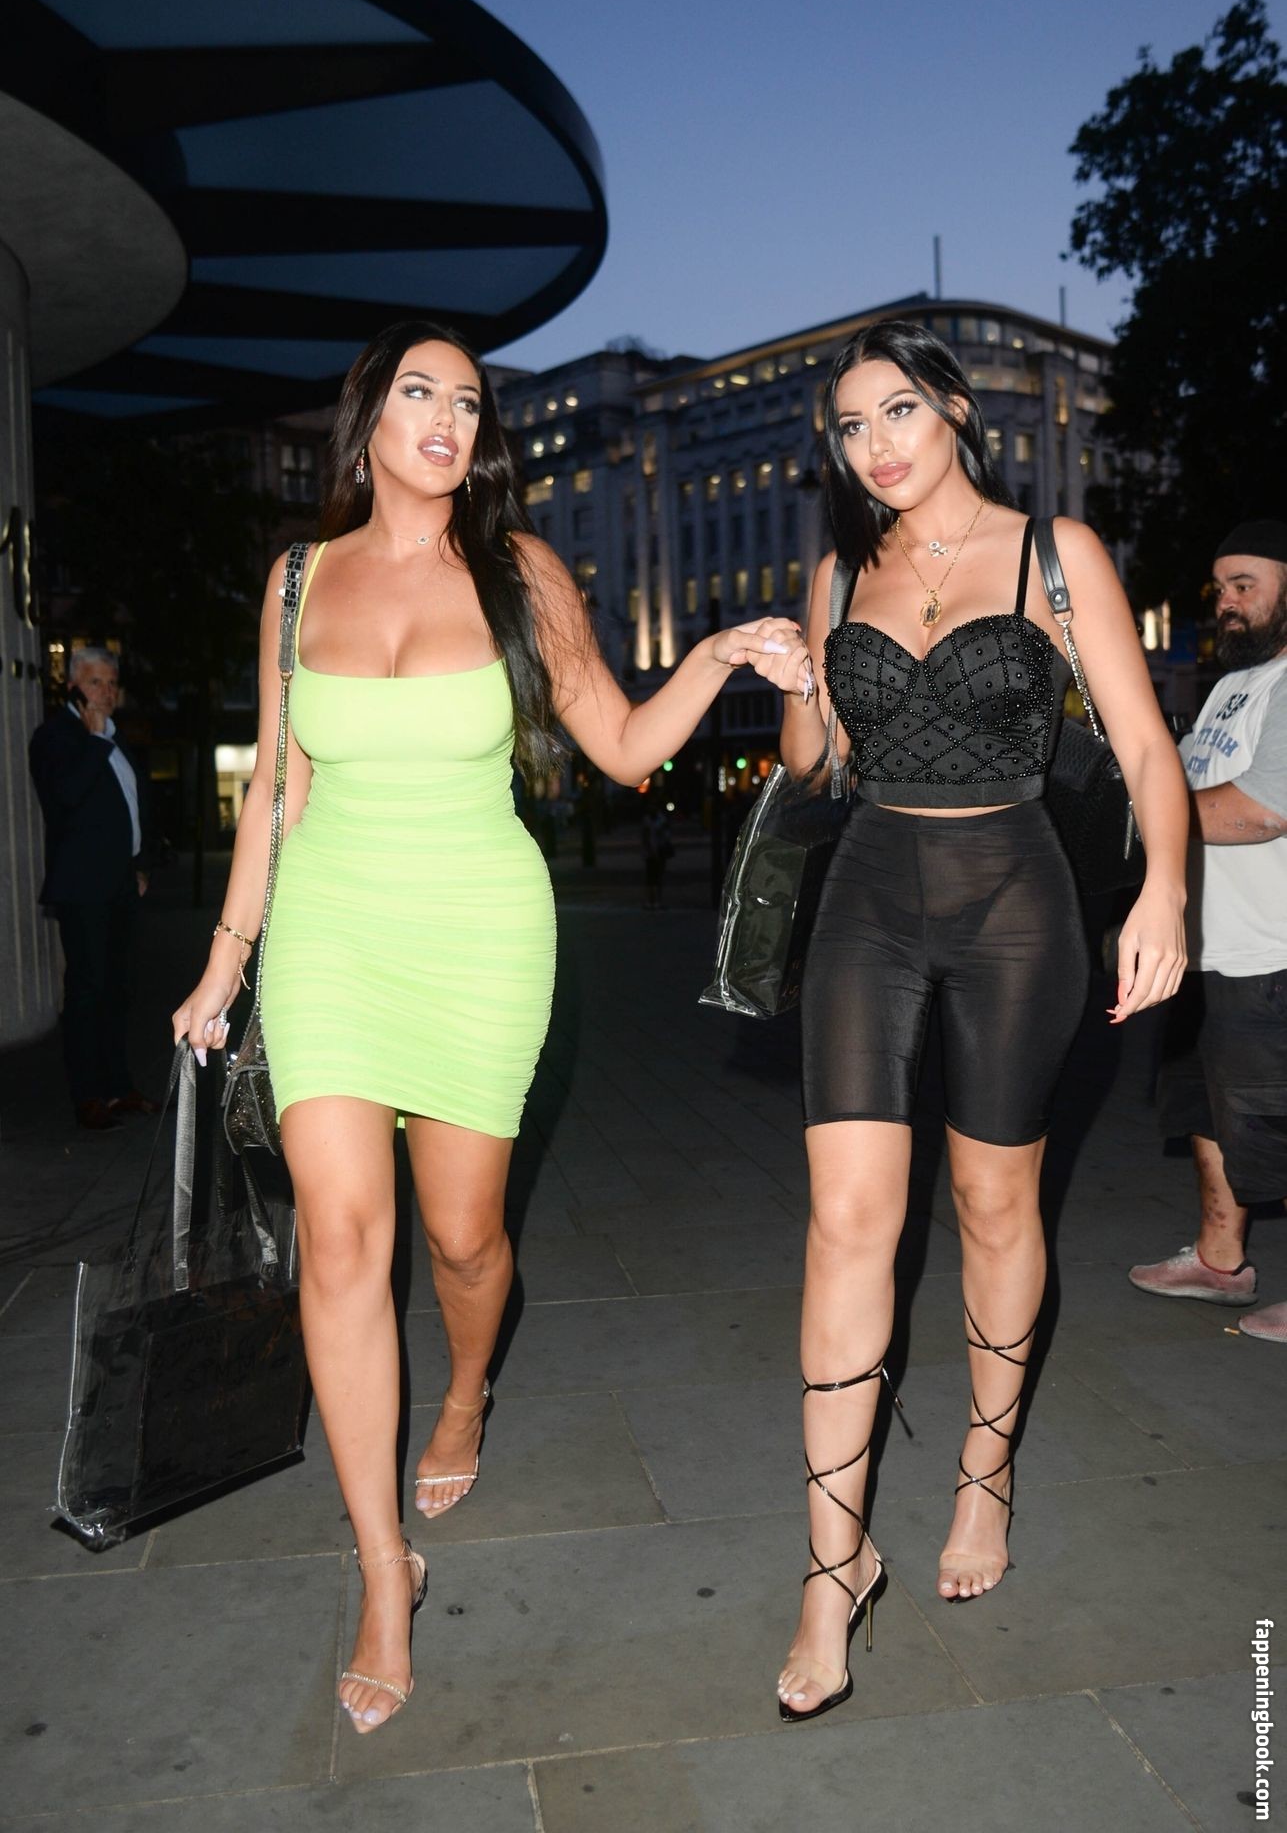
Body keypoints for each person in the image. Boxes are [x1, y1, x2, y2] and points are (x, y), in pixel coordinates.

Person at [171, 320, 811, 1735]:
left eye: (468, 402)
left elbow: (623, 745)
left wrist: (718, 653)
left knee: (463, 1240)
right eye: (420, 393)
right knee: (344, 1237)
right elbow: (277, 784)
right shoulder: (296, 579)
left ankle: (466, 1387)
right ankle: (381, 1569)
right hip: (330, 936)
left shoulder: (519, 570)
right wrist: (227, 958)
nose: (447, 419)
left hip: (478, 935)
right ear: (367, 421)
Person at [757, 320, 1189, 1722]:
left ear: (951, 407)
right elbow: (817, 765)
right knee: (844, 1218)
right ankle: (832, 1566)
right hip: (868, 896)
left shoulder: (1053, 556)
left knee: (997, 1205)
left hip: (1017, 899)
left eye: (896, 411)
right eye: (849, 427)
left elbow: (1142, 746)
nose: (873, 446)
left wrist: (1165, 890)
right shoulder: (839, 572)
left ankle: (982, 1478)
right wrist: (797, 686)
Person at [1128, 520, 1287, 1343]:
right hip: (1206, 954)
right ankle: (1219, 1262)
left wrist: (1139, 816)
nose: (1224, 602)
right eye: (1219, 588)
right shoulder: (1233, 685)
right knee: (1206, 1112)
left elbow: (1259, 812)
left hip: (1271, 954)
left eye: (1244, 586)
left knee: (1274, 1124)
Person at [29, 647, 156, 1130]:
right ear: (74, 689)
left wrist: (141, 865)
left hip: (121, 882)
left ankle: (118, 1087)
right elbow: (66, 794)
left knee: (120, 990)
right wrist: (95, 739)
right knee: (87, 990)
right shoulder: (56, 736)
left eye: (112, 683)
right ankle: (88, 1096)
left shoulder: (114, 736)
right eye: (96, 683)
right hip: (83, 887)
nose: (107, 691)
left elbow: (136, 803)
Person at [641, 798, 673, 908]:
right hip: (651, 851)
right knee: (650, 877)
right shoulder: (648, 820)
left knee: (658, 876)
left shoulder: (661, 819)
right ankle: (651, 900)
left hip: (659, 850)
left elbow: (666, 835)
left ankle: (657, 900)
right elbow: (645, 837)